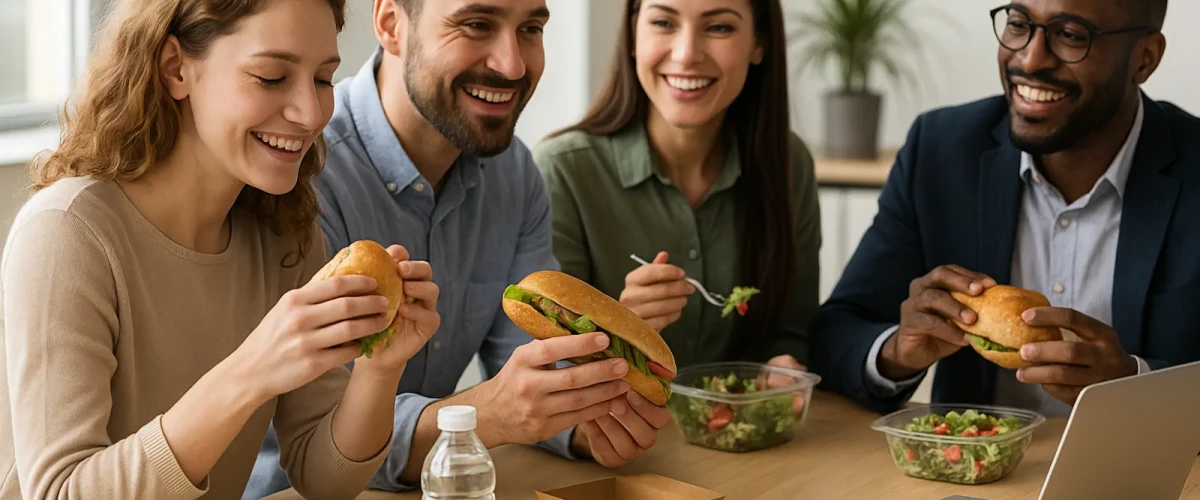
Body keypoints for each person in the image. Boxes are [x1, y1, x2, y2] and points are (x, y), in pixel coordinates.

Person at [0, 0, 443, 498]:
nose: (311, 113)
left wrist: (379, 369)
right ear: (176, 69)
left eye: (323, 79)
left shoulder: (283, 234)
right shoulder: (68, 233)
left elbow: (324, 480)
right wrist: (250, 372)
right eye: (271, 77)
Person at [244, 0, 658, 496]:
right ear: (391, 25)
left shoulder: (515, 175)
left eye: (531, 28)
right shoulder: (294, 170)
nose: (512, 65)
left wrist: (584, 420)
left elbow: (527, 362)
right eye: (477, 24)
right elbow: (326, 440)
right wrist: (488, 414)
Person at [811, 0, 1200, 417]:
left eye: (1070, 35)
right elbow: (836, 333)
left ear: (1145, 58)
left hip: (1150, 461)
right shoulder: (941, 150)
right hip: (973, 460)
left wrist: (1135, 385)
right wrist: (896, 351)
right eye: (1018, 24)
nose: (1030, 59)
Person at [533, 0, 819, 379]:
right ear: (633, 35)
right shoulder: (563, 171)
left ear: (759, 43)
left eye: (718, 27)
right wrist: (619, 327)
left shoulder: (789, 163)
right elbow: (546, 364)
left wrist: (783, 363)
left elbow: (794, 329)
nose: (686, 54)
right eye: (664, 22)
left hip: (747, 417)